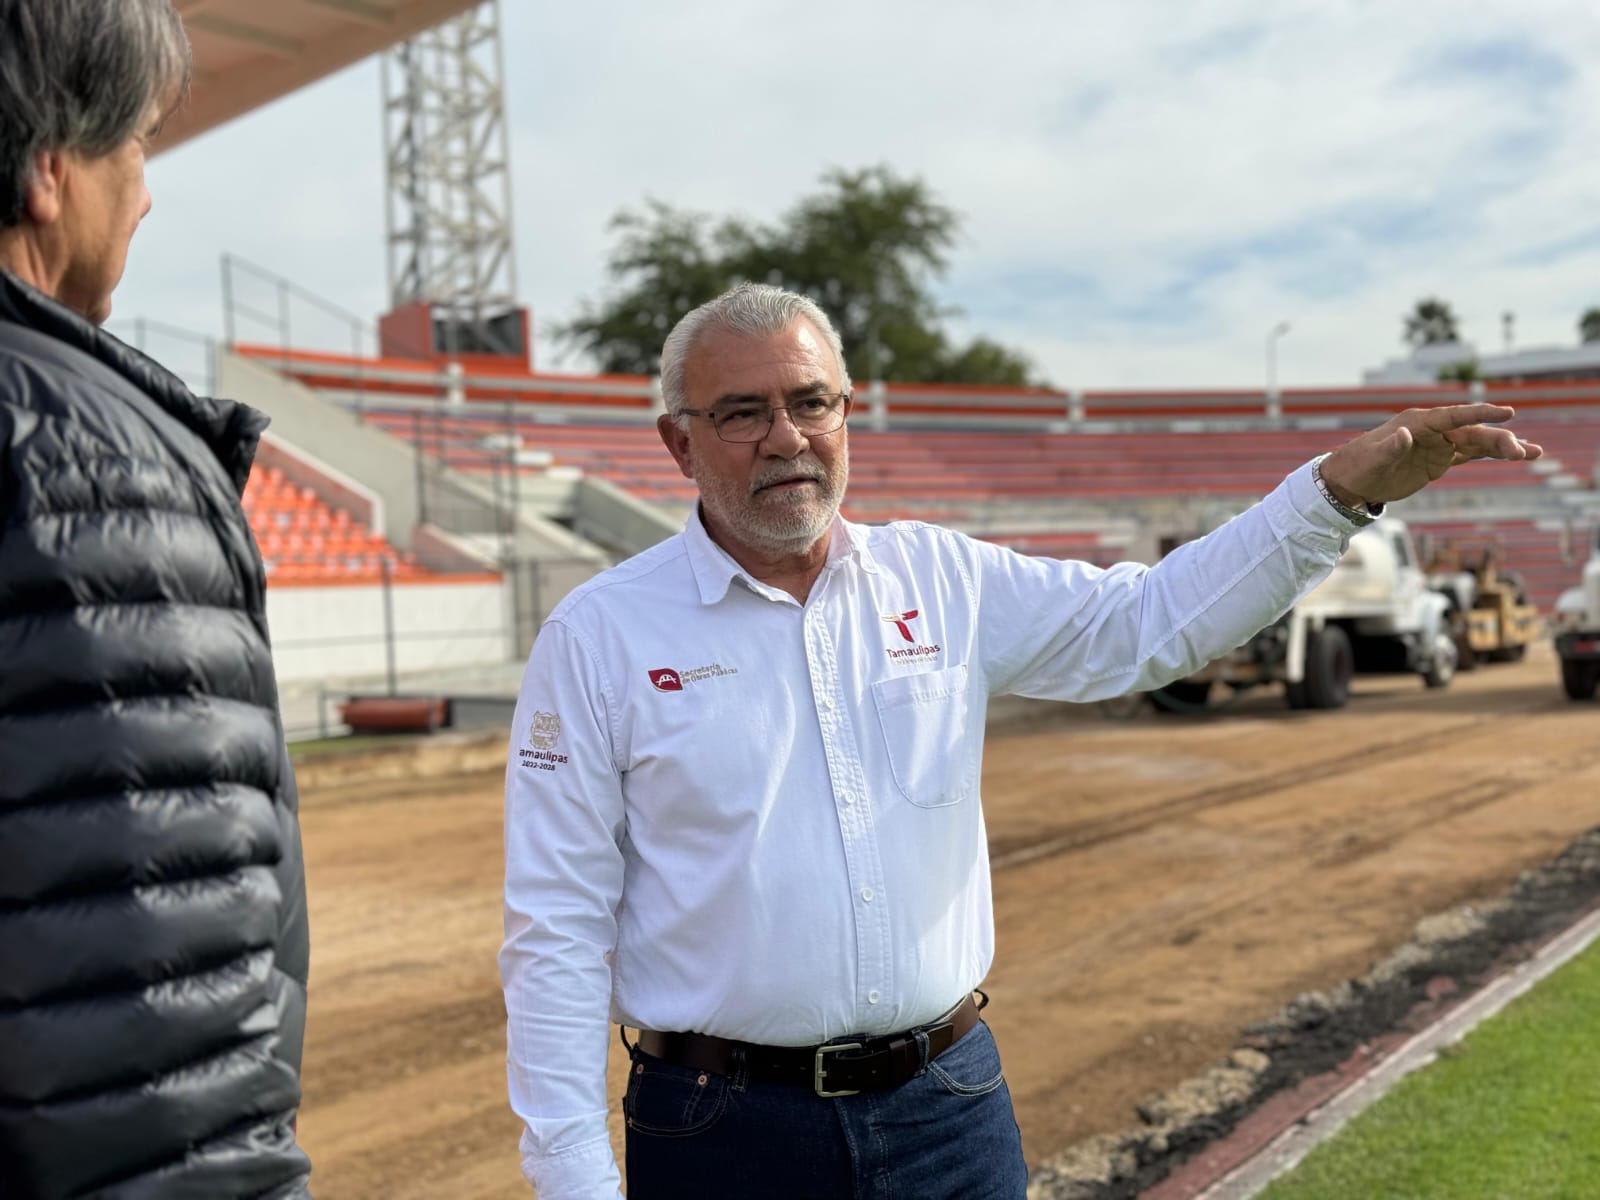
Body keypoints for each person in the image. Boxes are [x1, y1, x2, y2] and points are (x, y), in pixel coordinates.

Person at [500, 283, 1539, 1199]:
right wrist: (573, 1178)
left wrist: (1332, 495)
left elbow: (1147, 625)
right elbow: (556, 923)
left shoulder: (941, 580)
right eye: (742, 413)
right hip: (721, 1131)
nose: (786, 436)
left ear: (846, 413)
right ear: (678, 442)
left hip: (946, 1107)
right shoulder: (601, 636)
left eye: (811, 402)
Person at [0, 2, 312, 1196]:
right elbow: (144, 1036)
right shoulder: (87, 463)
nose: (145, 192)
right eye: (135, 147)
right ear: (46, 175)